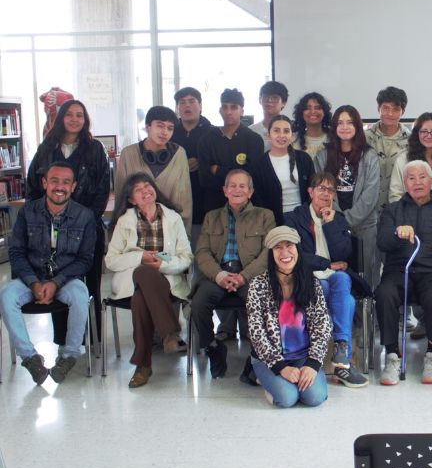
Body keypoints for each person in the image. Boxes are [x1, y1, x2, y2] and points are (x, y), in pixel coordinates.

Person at [0, 162, 95, 384]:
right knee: (6, 295)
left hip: (66, 279)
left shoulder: (85, 216)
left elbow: (85, 260)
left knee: (81, 294)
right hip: (29, 278)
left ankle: (70, 355)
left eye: (65, 182)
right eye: (54, 181)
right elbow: (16, 253)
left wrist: (56, 282)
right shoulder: (27, 212)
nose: (59, 186)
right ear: (45, 183)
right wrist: (34, 283)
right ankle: (30, 358)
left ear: (73, 187)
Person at [375, 160, 432, 385]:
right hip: (400, 270)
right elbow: (382, 243)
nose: (417, 182)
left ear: (431, 180)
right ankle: (392, 356)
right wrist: (397, 233)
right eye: (411, 178)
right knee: (384, 293)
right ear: (405, 183)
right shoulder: (393, 210)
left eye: (422, 177)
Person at [26, 99, 110, 342]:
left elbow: (102, 190)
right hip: (51, 229)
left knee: (90, 284)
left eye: (80, 115)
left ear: (85, 120)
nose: (75, 119)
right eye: (70, 114)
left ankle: (92, 338)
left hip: (87, 228)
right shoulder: (46, 148)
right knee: (58, 281)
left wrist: (83, 221)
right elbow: (33, 187)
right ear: (61, 118)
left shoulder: (95, 149)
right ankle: (64, 340)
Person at [104, 173, 193, 388]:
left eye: (148, 186)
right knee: (143, 273)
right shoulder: (124, 222)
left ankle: (143, 364)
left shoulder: (173, 218)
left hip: (166, 278)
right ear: (132, 199)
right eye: (138, 189)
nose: (145, 191)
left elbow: (186, 257)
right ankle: (169, 332)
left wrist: (162, 265)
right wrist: (140, 257)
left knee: (140, 298)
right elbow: (111, 260)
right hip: (131, 278)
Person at [285, 172, 369, 388]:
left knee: (341, 279)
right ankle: (343, 363)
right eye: (321, 188)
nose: (326, 193)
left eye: (331, 190)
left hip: (336, 277)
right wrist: (326, 264)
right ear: (310, 192)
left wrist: (330, 224)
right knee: (347, 302)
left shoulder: (338, 219)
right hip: (309, 276)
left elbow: (343, 253)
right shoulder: (294, 218)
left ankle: (340, 351)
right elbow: (297, 255)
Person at [191, 170, 274, 378]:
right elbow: (201, 252)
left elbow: (268, 252)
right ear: (225, 190)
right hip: (217, 275)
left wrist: (243, 276)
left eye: (243, 186)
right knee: (199, 303)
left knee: (261, 300)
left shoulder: (265, 216)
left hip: (249, 275)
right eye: (233, 186)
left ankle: (256, 356)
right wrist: (219, 275)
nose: (237, 190)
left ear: (251, 191)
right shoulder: (212, 217)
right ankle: (212, 347)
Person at [246, 226, 333, 408]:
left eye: (289, 246)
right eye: (278, 248)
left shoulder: (312, 283)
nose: (285, 252)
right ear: (271, 254)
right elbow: (257, 333)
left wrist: (313, 364)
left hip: (303, 355)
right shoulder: (258, 285)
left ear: (297, 250)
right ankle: (266, 380)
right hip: (270, 358)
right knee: (287, 399)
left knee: (315, 398)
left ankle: (288, 381)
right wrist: (280, 367)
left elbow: (322, 325)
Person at [315, 105, 381, 288]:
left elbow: (371, 193)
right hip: (331, 223)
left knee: (367, 277)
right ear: (334, 127)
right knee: (338, 276)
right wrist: (336, 220)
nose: (345, 127)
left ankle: (368, 317)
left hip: (365, 225)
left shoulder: (369, 155)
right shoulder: (323, 156)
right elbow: (320, 191)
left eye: (350, 123)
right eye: (340, 123)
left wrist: (345, 220)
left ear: (357, 126)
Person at [115, 105, 192, 236]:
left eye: (170, 128)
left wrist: (184, 237)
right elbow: (121, 197)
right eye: (160, 126)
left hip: (170, 230)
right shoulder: (128, 154)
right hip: (135, 230)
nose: (165, 132)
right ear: (147, 126)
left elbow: (184, 200)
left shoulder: (179, 154)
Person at [198, 88, 265, 215]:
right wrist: (238, 173)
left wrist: (218, 170)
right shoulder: (207, 139)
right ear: (220, 110)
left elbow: (252, 176)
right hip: (214, 207)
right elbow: (205, 179)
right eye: (225, 107)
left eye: (234, 107)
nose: (229, 112)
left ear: (242, 111)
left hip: (246, 208)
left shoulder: (254, 139)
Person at [171, 86, 214, 249]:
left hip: (203, 201)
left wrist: (201, 162)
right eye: (182, 103)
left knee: (200, 250)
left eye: (191, 101)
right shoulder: (170, 132)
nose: (187, 106)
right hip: (174, 201)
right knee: (173, 251)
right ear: (178, 108)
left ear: (201, 106)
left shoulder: (212, 133)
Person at [251, 114, 314, 226]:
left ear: (292, 136)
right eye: (276, 131)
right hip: (272, 221)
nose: (281, 135)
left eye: (286, 131)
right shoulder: (258, 164)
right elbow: (257, 199)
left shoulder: (304, 159)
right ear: (268, 135)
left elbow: (313, 190)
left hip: (304, 219)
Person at [365, 86, 411, 212]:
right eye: (385, 108)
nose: (390, 114)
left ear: (403, 112)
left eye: (396, 109)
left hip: (400, 209)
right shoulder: (365, 138)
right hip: (368, 209)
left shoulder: (412, 141)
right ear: (378, 108)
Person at [292, 92, 331, 160]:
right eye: (307, 108)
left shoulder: (333, 139)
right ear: (301, 113)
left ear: (324, 112)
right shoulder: (292, 140)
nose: (313, 111)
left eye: (317, 108)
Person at [250, 80, 289, 151]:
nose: (269, 101)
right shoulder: (251, 131)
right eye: (266, 97)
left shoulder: (290, 131)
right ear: (260, 100)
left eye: (275, 98)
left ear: (283, 103)